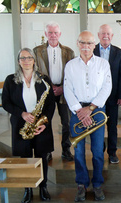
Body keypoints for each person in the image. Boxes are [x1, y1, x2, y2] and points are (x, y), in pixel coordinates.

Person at [2, 48, 55, 203]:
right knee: (25, 157)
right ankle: (28, 189)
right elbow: (6, 103)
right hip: (21, 123)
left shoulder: (44, 79)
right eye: (23, 58)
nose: (26, 61)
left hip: (40, 124)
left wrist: (44, 122)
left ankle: (43, 187)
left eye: (29, 58)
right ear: (19, 61)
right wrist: (22, 114)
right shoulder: (10, 80)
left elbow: (50, 103)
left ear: (34, 60)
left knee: (42, 157)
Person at [64, 31, 112, 202]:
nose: (85, 46)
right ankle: (81, 184)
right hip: (77, 110)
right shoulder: (70, 65)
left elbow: (107, 87)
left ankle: (97, 184)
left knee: (98, 150)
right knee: (78, 151)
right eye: (82, 43)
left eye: (89, 43)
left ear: (94, 44)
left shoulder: (103, 64)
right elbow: (67, 89)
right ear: (77, 43)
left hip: (97, 109)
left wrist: (90, 108)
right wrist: (80, 110)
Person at [34, 21, 75, 162]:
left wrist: (62, 87)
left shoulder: (69, 52)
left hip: (64, 91)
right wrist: (50, 87)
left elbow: (72, 73)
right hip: (46, 92)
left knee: (67, 122)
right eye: (50, 32)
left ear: (60, 34)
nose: (53, 35)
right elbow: (36, 72)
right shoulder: (37, 51)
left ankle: (66, 149)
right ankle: (47, 151)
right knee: (46, 122)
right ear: (45, 34)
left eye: (55, 32)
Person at [94, 24, 121, 164]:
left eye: (108, 33)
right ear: (98, 35)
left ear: (112, 36)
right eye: (103, 33)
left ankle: (112, 152)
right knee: (98, 125)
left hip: (113, 96)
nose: (105, 36)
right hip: (95, 97)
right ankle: (99, 152)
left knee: (112, 126)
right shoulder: (92, 50)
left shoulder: (119, 53)